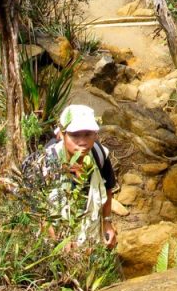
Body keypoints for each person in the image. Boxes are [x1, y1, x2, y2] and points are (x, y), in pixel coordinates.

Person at [21, 104, 118, 249]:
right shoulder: (44, 164)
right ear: (62, 134)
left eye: (88, 134)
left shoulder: (99, 154)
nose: (83, 142)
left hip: (90, 236)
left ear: (95, 134)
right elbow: (33, 206)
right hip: (54, 242)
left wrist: (107, 222)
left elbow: (107, 188)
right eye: (75, 135)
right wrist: (56, 240)